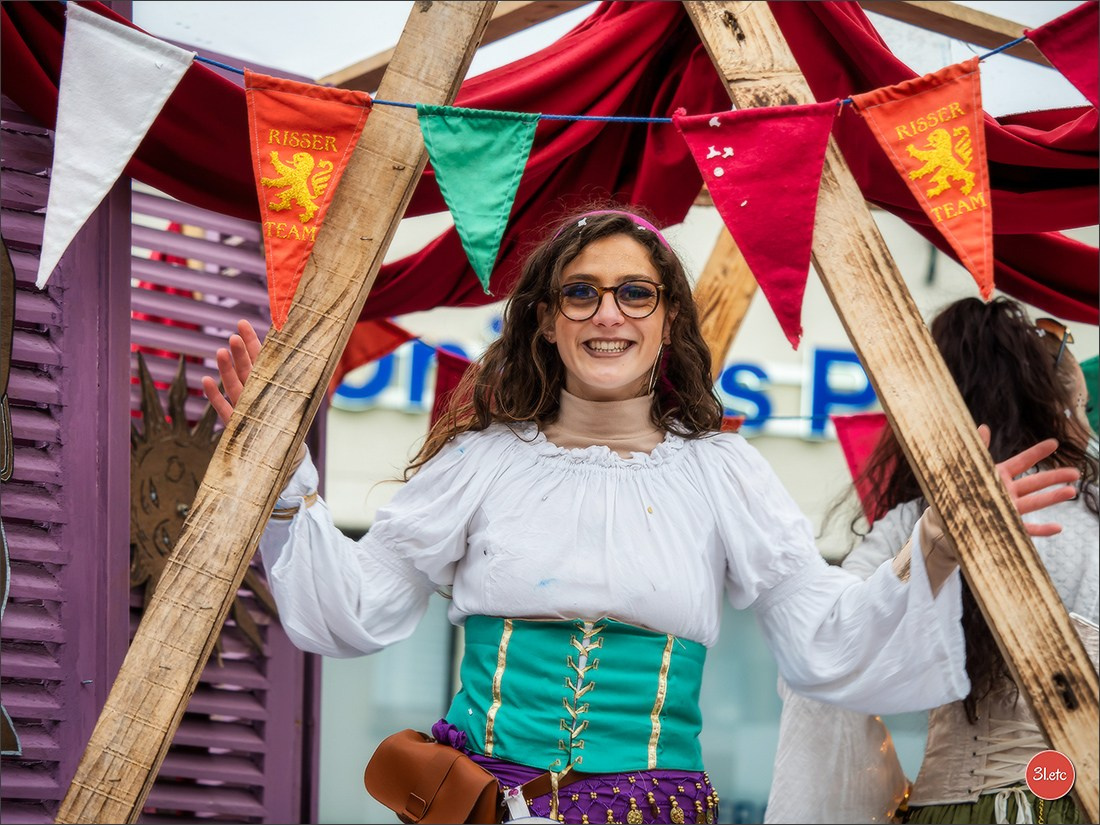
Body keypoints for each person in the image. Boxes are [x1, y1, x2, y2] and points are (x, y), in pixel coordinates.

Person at [203, 204, 1079, 825]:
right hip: (478, 808)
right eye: (580, 294)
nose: (607, 314)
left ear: (666, 322)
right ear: (546, 321)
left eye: (635, 294)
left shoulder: (721, 472)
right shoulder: (483, 460)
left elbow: (826, 639)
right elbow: (354, 608)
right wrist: (283, 478)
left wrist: (932, 543)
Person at [765, 296, 1098, 825]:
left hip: (955, 808)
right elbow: (823, 645)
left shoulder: (908, 521)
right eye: (1081, 409)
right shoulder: (918, 522)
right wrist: (936, 547)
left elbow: (821, 648)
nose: (1087, 428)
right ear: (1049, 403)